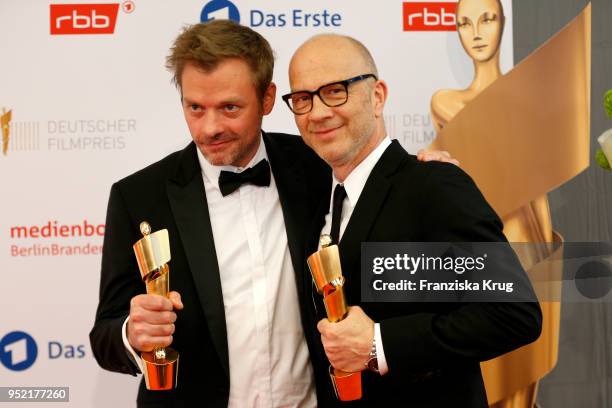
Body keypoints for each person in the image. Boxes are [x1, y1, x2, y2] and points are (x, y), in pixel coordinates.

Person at [89, 20, 454, 407]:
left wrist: (421, 174)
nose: (210, 127)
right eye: (195, 108)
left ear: (266, 99)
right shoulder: (139, 196)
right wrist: (132, 333)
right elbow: (105, 337)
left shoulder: (319, 166)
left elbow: (378, 180)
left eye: (230, 107)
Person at [283, 33, 542, 407]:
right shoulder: (316, 204)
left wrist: (378, 344)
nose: (318, 112)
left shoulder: (434, 185)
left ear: (377, 96)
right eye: (303, 99)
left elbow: (512, 313)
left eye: (336, 90)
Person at [430, 0, 559, 406]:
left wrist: (546, 252)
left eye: (487, 19)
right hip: (482, 237)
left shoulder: (529, 96)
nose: (477, 32)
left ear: (503, 23)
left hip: (527, 233)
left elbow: (536, 186)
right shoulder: (446, 101)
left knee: (527, 367)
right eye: (464, 23)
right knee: (491, 361)